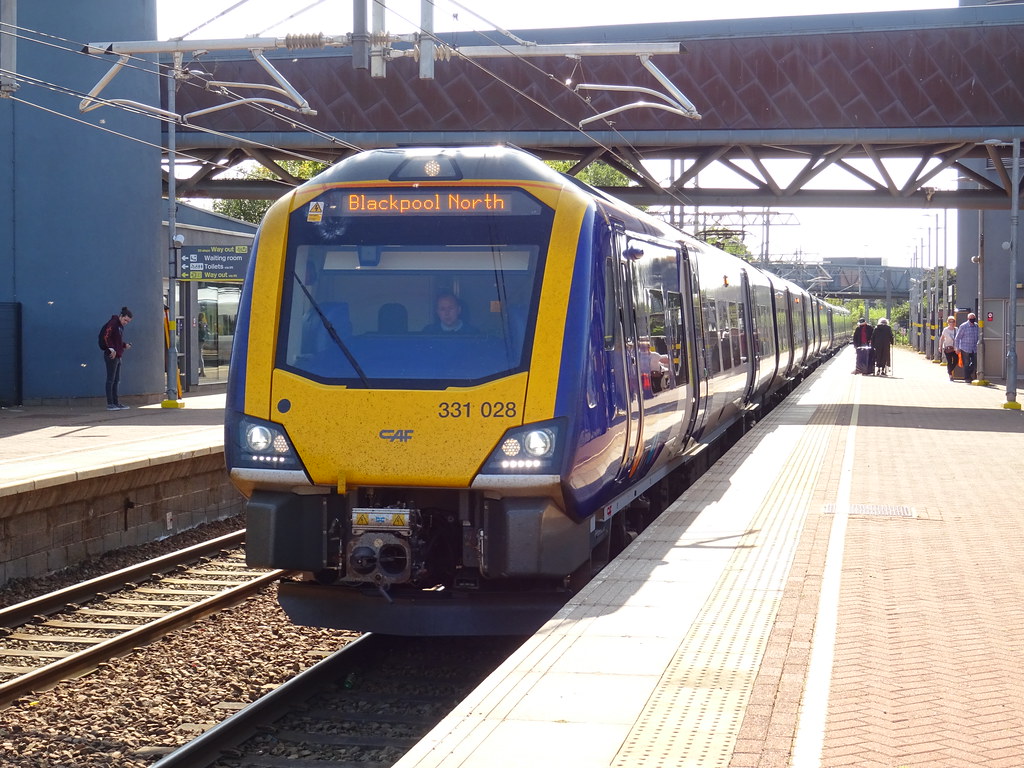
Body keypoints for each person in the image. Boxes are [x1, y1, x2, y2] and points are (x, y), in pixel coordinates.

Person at [98, 306, 133, 410]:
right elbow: (106, 336)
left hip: (117, 354)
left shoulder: (120, 326)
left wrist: (124, 345)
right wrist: (111, 349)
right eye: (125, 320)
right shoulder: (113, 323)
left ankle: (115, 402)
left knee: (116, 380)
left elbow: (116, 340)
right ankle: (110, 403)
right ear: (121, 316)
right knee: (111, 379)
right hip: (111, 355)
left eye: (128, 321)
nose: (126, 322)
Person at [954, 312, 981, 383]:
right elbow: (957, 338)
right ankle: (967, 378)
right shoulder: (963, 326)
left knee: (975, 363)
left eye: (973, 318)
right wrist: (957, 347)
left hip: (974, 348)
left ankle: (969, 374)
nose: (972, 319)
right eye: (971, 318)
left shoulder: (976, 326)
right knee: (966, 363)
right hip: (965, 348)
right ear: (968, 319)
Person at [938, 315, 958, 381]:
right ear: (948, 322)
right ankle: (950, 375)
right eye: (950, 322)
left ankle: (949, 370)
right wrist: (940, 346)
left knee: (956, 360)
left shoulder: (956, 329)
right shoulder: (945, 330)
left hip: (955, 348)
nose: (952, 323)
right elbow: (942, 338)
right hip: (947, 348)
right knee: (949, 361)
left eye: (953, 322)